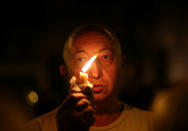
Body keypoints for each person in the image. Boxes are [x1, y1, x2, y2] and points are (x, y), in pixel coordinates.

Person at [27, 24, 153, 131]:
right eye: (81, 59)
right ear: (65, 72)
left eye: (105, 57)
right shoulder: (39, 128)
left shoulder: (152, 125)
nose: (96, 73)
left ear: (121, 65)